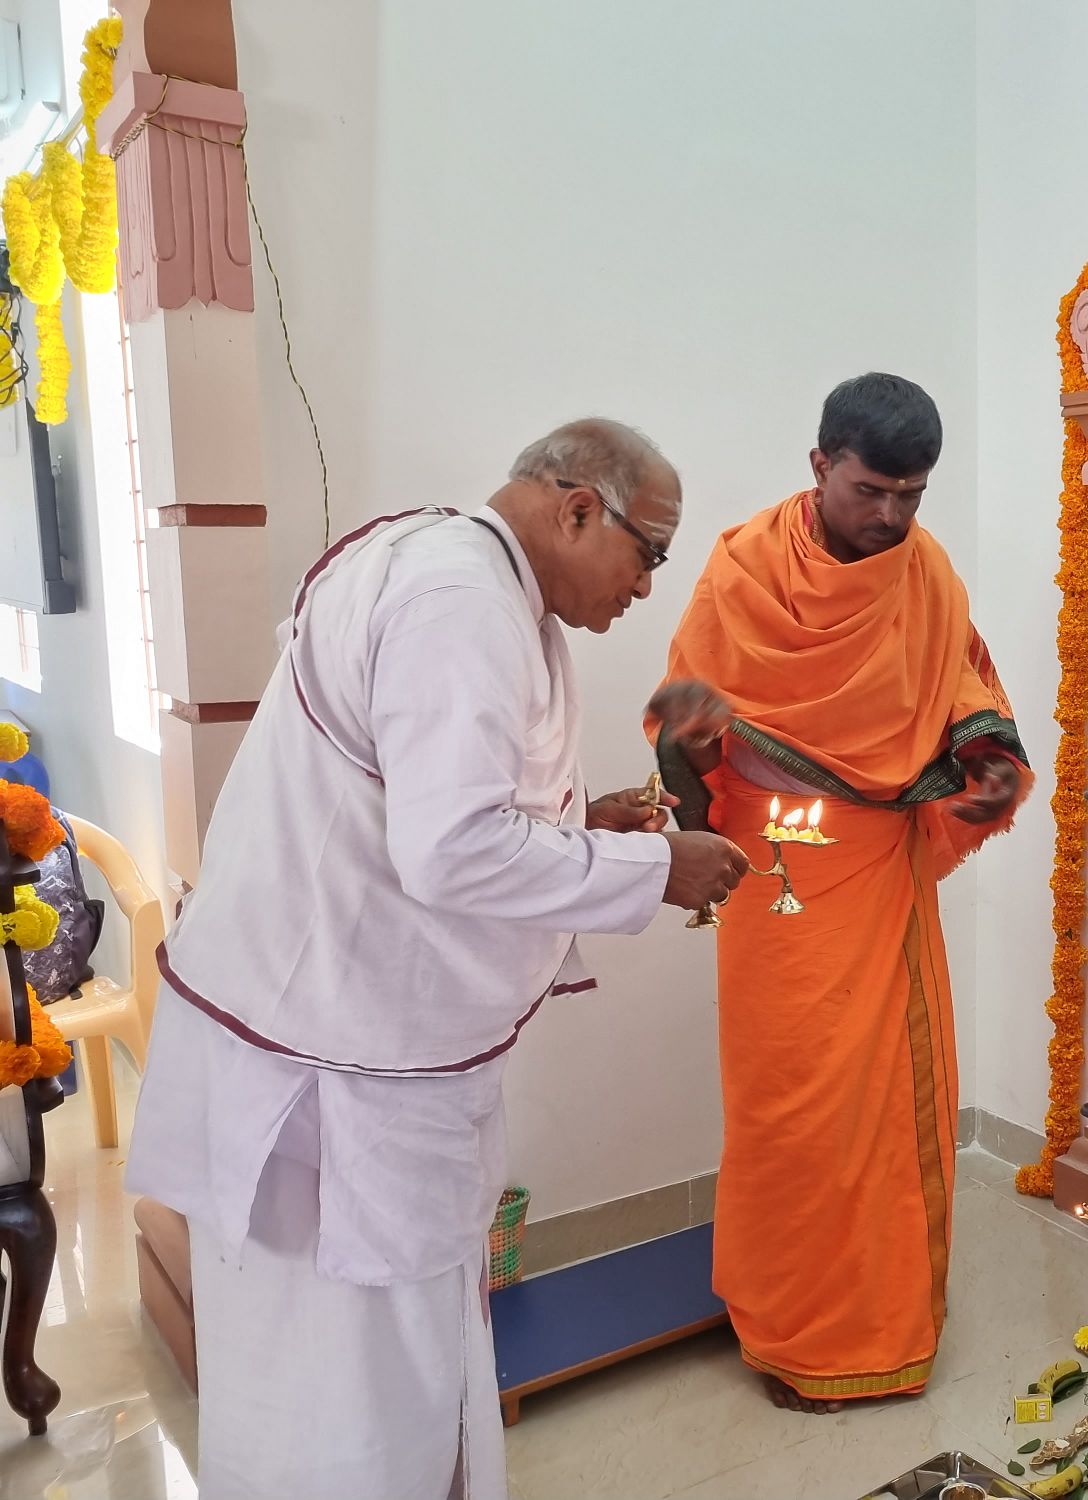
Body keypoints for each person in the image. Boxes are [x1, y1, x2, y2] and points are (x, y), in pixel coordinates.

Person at [125, 420, 750, 1500]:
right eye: (648, 551)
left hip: (334, 1026)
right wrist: (653, 876)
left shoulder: (458, 568)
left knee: (398, 1354)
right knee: (346, 1377)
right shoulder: (462, 603)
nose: (649, 585)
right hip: (335, 1067)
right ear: (574, 509)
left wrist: (581, 818)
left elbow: (419, 789)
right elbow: (450, 847)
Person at [648, 372, 1029, 1413]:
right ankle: (782, 1324)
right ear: (819, 466)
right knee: (786, 1113)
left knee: (881, 1115)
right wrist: (685, 758)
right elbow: (685, 729)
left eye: (912, 494)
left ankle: (872, 1336)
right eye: (870, 490)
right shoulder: (740, 576)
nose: (892, 516)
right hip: (771, 883)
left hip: (876, 881)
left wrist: (981, 753)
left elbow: (961, 686)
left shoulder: (925, 572)